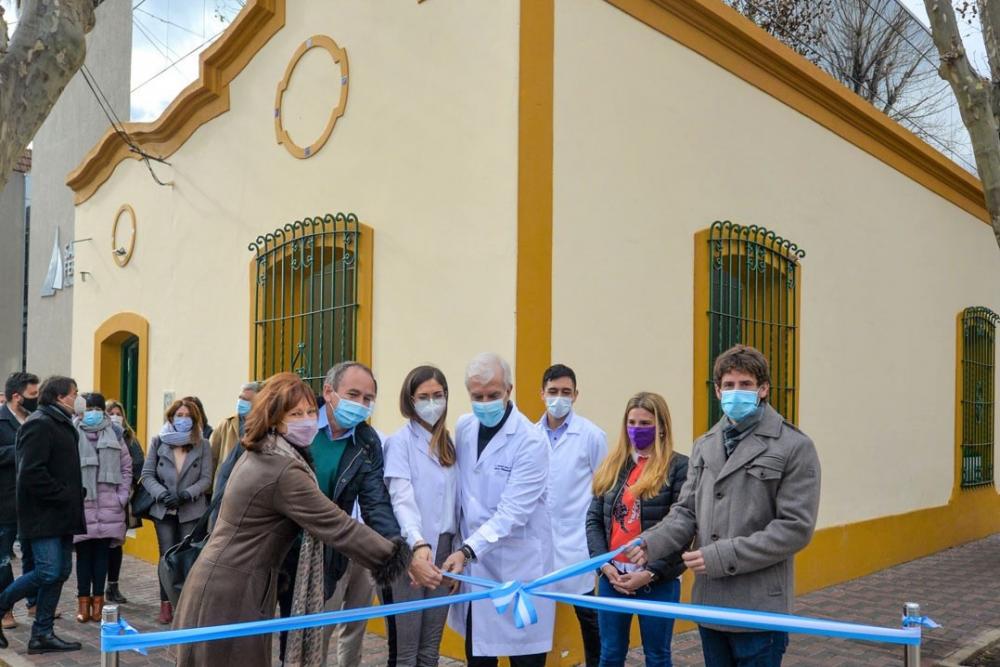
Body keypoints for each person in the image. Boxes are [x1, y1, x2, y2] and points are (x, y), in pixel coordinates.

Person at [173, 372, 410, 666]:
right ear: (274, 418)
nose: (308, 419)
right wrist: (396, 557)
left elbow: (372, 504)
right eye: (296, 413)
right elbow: (337, 525)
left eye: (311, 411)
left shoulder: (267, 450)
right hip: (231, 593)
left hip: (235, 582)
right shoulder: (283, 468)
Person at [626, 345, 822, 667]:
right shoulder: (705, 445)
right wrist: (651, 543)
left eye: (745, 385)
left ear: (763, 389)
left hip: (758, 607)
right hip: (711, 603)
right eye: (729, 385)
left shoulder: (794, 446)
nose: (736, 392)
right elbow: (686, 511)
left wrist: (721, 555)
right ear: (717, 391)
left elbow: (795, 528)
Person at [442, 353, 555, 666]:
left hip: (519, 569)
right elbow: (462, 498)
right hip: (476, 574)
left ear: (510, 390)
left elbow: (513, 512)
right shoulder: (465, 427)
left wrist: (466, 551)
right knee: (478, 656)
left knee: (526, 658)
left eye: (493, 395)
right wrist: (458, 551)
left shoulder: (531, 441)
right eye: (477, 396)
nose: (485, 402)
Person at [305, 361, 402, 667]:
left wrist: (394, 549)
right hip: (295, 548)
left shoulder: (367, 441)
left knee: (351, 625)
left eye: (368, 399)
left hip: (343, 545)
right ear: (329, 391)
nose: (361, 404)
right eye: (354, 394)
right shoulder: (299, 426)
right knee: (309, 636)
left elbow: (375, 502)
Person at [587, 392, 688, 667]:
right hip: (612, 577)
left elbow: (683, 529)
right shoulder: (613, 465)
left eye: (645, 423)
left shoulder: (679, 467)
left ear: (662, 427)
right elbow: (593, 519)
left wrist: (650, 572)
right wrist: (603, 565)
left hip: (657, 580)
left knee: (656, 655)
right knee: (610, 654)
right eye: (632, 422)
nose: (637, 429)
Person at [0, 376, 85, 654]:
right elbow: (31, 473)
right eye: (74, 393)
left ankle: (42, 634)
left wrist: (74, 492)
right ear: (61, 397)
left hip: (60, 514)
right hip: (42, 515)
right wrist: (65, 493)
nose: (78, 398)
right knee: (48, 570)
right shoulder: (40, 423)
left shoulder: (59, 422)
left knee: (60, 571)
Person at [383, 365, 455, 667]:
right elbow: (401, 498)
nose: (431, 403)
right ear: (410, 400)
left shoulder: (448, 442)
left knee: (430, 648)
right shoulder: (399, 442)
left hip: (446, 549)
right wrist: (417, 543)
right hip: (411, 552)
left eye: (438, 395)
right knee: (406, 651)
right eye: (423, 396)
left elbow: (458, 502)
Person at [536, 364, 607, 667]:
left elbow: (603, 491)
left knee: (590, 619)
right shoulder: (529, 435)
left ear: (576, 395)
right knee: (536, 619)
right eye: (553, 392)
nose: (559, 398)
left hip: (578, 542)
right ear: (542, 394)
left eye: (566, 392)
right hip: (539, 545)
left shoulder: (592, 435)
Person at [141, 398, 213, 624]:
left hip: (190, 509)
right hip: (163, 510)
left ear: (195, 419)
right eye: (179, 415)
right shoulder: (158, 441)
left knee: (187, 557)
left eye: (188, 416)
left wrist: (185, 494)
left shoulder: (203, 444)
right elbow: (147, 474)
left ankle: (185, 604)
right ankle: (166, 604)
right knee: (166, 557)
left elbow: (206, 478)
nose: (183, 419)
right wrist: (162, 494)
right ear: (171, 417)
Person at [72, 393, 132, 624]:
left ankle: (98, 604)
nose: (93, 412)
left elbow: (126, 468)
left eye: (97, 408)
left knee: (101, 557)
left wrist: (122, 497)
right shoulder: (71, 432)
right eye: (89, 408)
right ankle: (82, 604)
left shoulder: (115, 433)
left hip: (109, 506)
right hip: (82, 505)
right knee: (83, 557)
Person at [0, 372, 39, 630]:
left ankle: (35, 603)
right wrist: (22, 449)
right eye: (33, 395)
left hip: (34, 501)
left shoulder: (37, 419)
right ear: (17, 396)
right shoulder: (1, 420)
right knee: (3, 558)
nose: (37, 399)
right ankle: (5, 609)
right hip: (5, 501)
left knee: (34, 557)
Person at [104, 400, 145, 604]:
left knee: (116, 543)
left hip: (123, 499)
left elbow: (139, 465)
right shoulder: (97, 435)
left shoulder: (129, 438)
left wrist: (127, 490)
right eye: (110, 412)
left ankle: (113, 585)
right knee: (100, 545)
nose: (114, 416)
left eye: (118, 413)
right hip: (101, 498)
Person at [209, 382, 261, 482]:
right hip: (225, 483)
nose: (241, 402)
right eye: (240, 397)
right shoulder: (226, 424)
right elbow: (212, 457)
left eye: (246, 400)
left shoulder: (265, 426)